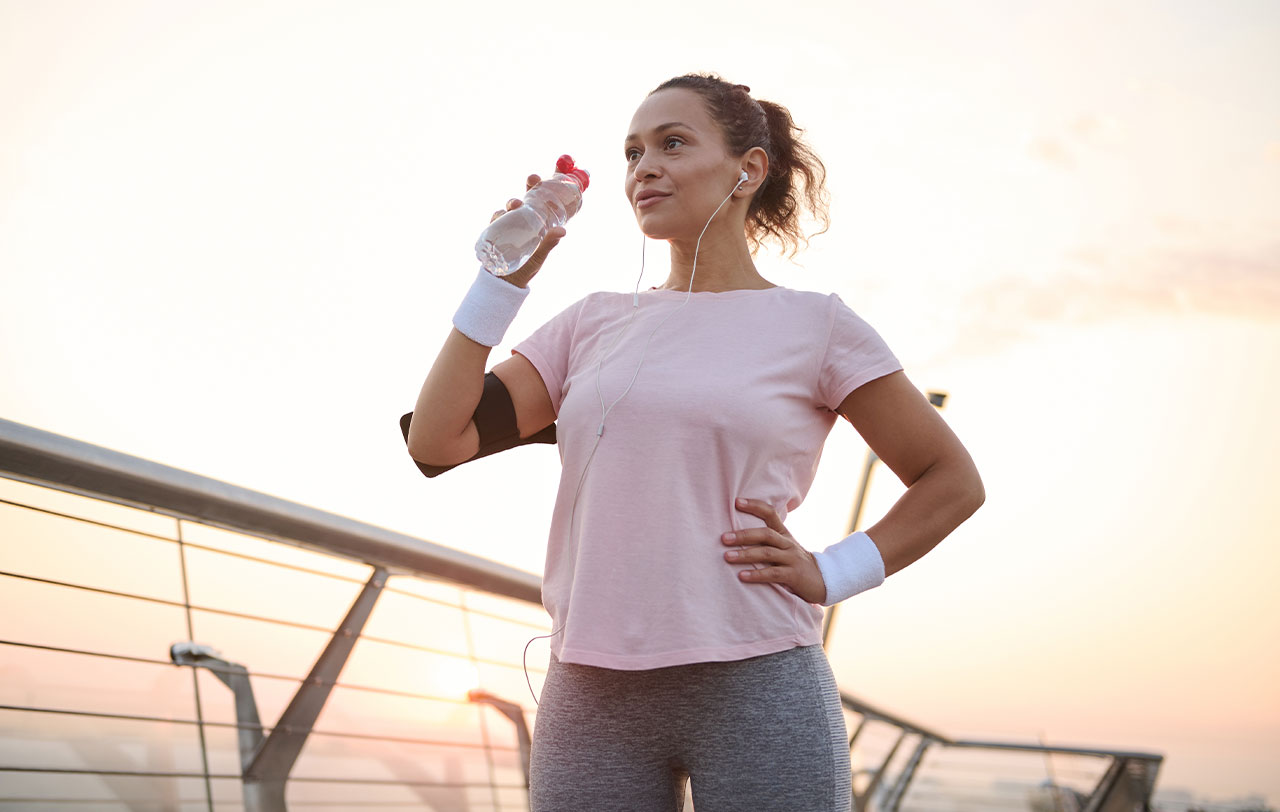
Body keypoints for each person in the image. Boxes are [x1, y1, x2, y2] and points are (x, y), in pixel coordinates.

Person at [405, 73, 985, 812]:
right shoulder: (591, 323)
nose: (643, 167)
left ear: (749, 169)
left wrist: (831, 571)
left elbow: (951, 479)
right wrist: (503, 283)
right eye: (633, 151)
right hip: (590, 690)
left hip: (757, 676)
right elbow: (437, 439)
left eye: (673, 144)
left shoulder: (817, 326)